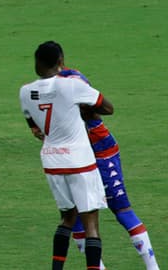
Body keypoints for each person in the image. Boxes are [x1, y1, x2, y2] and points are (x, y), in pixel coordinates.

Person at [56, 59, 160, 270]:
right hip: (72, 158)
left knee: (121, 210)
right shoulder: (46, 87)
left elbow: (98, 106)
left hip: (101, 153)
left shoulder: (73, 79)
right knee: (74, 216)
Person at [19, 41, 114, 270]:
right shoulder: (72, 85)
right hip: (80, 161)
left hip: (52, 161)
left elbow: (34, 127)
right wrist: (84, 110)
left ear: (37, 64)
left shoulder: (25, 91)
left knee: (67, 217)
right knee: (90, 223)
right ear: (61, 62)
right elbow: (108, 108)